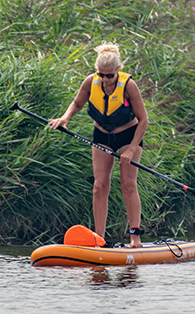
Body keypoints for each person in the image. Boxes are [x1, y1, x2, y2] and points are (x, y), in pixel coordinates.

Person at [49, 44, 149, 247]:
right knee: (99, 187)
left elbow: (144, 120)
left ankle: (135, 238)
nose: (105, 79)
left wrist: (131, 149)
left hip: (128, 136)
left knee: (128, 185)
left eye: (110, 76)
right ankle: (99, 239)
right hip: (102, 135)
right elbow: (77, 103)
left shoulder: (129, 85)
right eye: (101, 75)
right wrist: (65, 118)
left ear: (118, 70)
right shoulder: (90, 82)